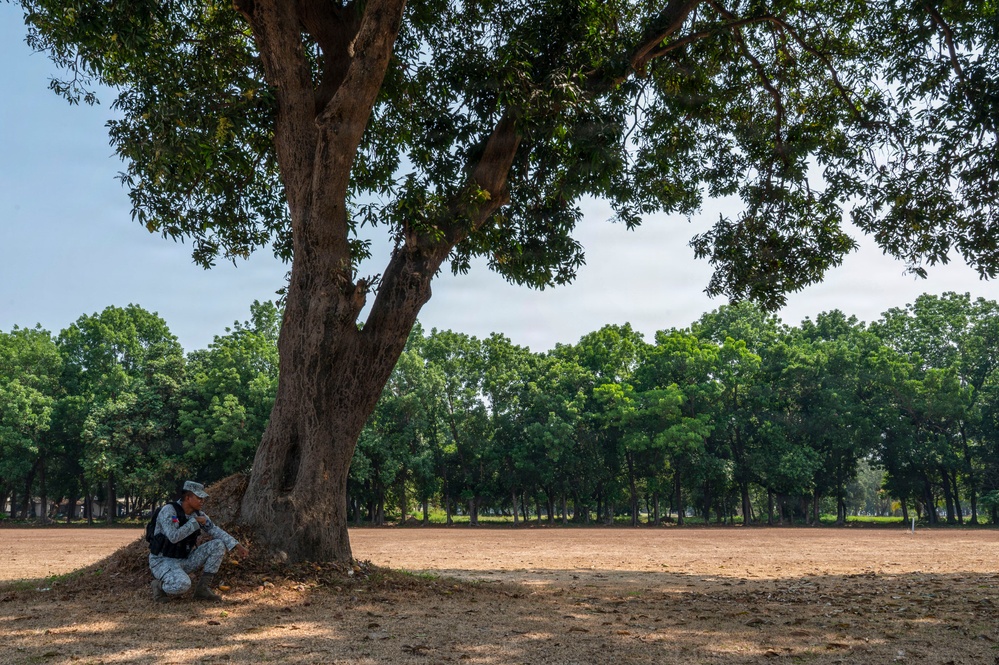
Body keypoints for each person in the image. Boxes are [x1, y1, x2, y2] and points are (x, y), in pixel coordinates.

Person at [148, 480, 249, 602]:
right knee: (182, 585)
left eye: (203, 498)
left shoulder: (199, 514)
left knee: (218, 545)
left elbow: (215, 530)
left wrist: (237, 545)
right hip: (162, 560)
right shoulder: (169, 511)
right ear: (188, 497)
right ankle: (158, 586)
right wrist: (194, 523)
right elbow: (173, 537)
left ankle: (202, 589)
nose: (202, 501)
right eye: (199, 497)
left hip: (185, 558)